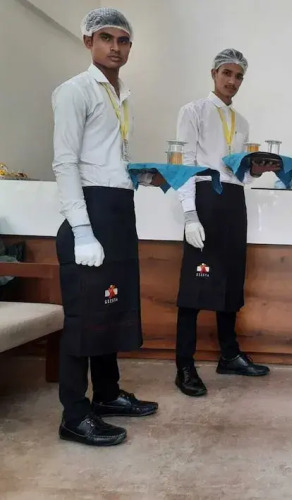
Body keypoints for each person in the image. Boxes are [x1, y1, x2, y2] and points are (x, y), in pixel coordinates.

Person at [52, 8, 161, 447]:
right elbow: (65, 163)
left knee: (110, 308)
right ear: (88, 42)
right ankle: (74, 415)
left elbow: (106, 158)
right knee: (84, 316)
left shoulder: (121, 94)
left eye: (123, 40)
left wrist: (140, 176)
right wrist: (81, 229)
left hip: (118, 208)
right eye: (106, 38)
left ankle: (108, 394)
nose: (115, 47)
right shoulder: (74, 91)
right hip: (91, 213)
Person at [174, 48, 270, 398]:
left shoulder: (242, 122)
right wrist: (189, 214)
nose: (232, 81)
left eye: (239, 76)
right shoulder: (193, 111)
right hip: (205, 196)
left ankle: (229, 354)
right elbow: (184, 164)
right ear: (214, 73)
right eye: (227, 73)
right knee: (195, 284)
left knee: (230, 279)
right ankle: (184, 365)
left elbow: (239, 174)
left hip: (233, 200)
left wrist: (255, 171)